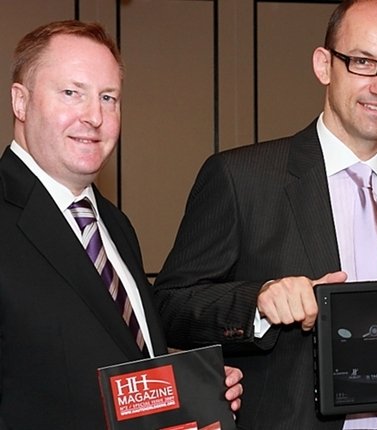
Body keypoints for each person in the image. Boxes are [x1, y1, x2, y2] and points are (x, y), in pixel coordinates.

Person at [154, 1, 377, 429]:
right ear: (324, 65)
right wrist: (259, 303)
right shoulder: (241, 178)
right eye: (363, 62)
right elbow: (170, 308)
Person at [0, 20, 242, 429]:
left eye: (108, 98)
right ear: (20, 102)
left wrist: (194, 389)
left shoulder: (113, 224)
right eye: (71, 93)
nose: (94, 116)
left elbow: (117, 362)